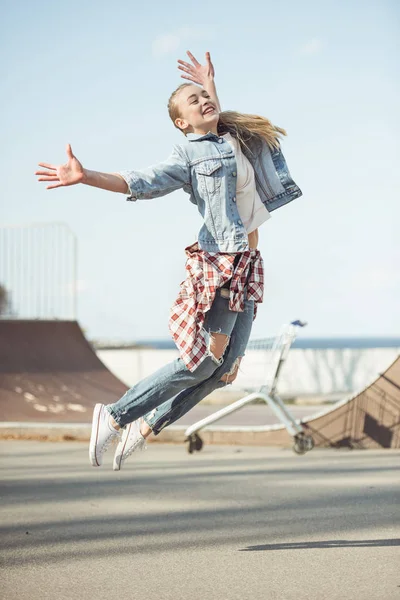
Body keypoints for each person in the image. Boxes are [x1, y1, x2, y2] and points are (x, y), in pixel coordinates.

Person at [35, 51, 302, 471]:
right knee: (202, 362)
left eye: (204, 96)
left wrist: (208, 85)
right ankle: (116, 414)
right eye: (192, 101)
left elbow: (214, 118)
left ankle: (146, 427)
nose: (202, 101)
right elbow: (142, 181)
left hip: (249, 264)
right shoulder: (189, 156)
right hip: (223, 263)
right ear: (182, 123)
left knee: (225, 368)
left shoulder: (232, 138)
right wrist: (86, 176)